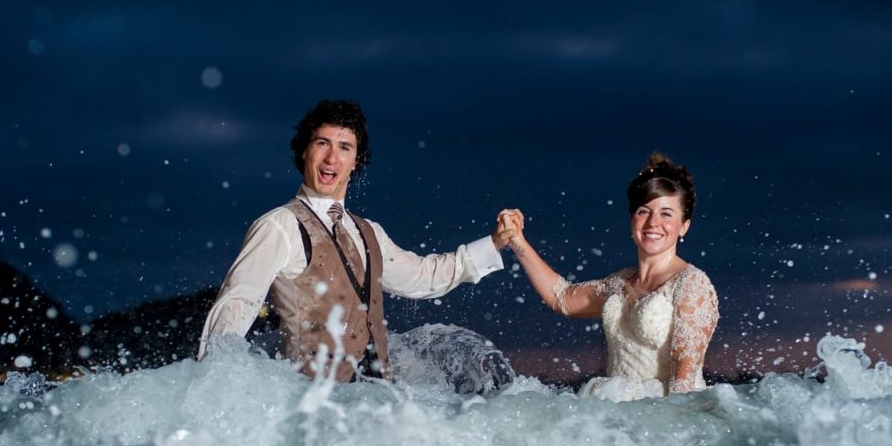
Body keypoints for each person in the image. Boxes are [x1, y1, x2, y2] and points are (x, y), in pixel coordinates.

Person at [199, 99, 517, 382]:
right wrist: (210, 383)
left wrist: (493, 243)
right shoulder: (279, 226)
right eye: (322, 143)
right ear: (304, 151)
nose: (331, 158)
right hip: (308, 408)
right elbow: (236, 304)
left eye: (344, 147)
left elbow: (421, 277)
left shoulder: (369, 232)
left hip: (370, 407)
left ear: (356, 161)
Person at [499, 152, 718, 400]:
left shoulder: (691, 284)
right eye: (644, 211)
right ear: (632, 220)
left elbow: (683, 388)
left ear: (684, 226)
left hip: (663, 417)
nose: (653, 223)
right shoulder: (619, 283)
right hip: (611, 414)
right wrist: (517, 241)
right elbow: (561, 298)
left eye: (666, 213)